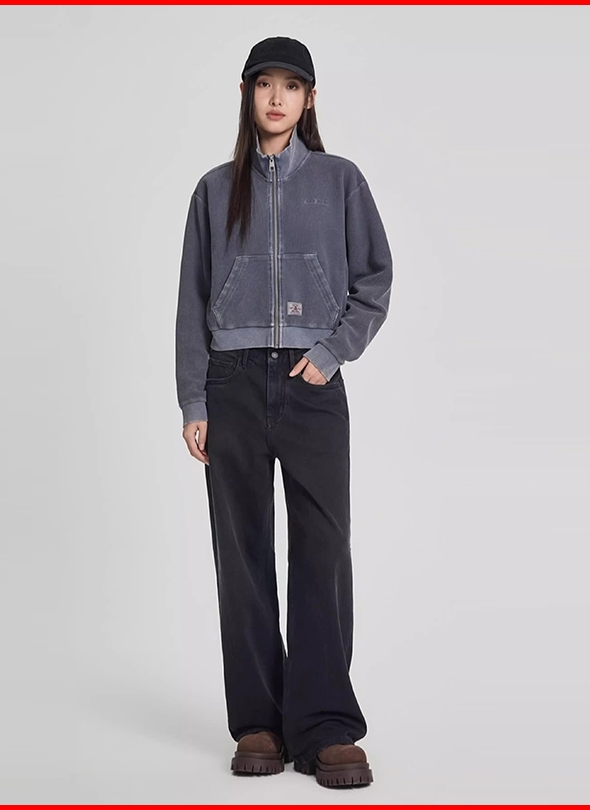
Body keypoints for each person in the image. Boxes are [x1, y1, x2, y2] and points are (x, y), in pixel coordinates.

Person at [174, 36, 393, 789]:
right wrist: (195, 398)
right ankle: (259, 722)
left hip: (311, 383)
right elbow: (191, 302)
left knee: (323, 551)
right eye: (264, 84)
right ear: (246, 94)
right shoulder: (213, 190)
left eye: (291, 86)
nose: (277, 98)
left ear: (309, 99)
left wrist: (331, 353)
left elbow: (374, 280)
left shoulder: (339, 180)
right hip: (232, 384)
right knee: (242, 555)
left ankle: (325, 724)